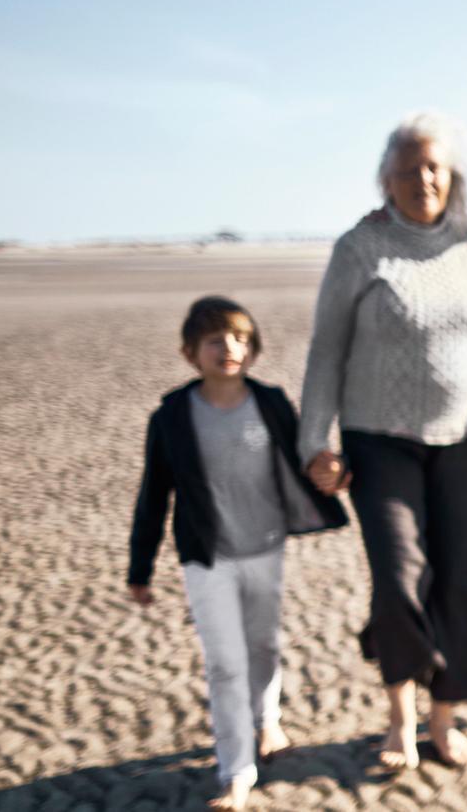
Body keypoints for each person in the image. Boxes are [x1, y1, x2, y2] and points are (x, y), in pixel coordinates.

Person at [299, 113, 467, 768]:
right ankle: (399, 717)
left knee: (460, 580)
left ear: (451, 176)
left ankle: (441, 720)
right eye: (409, 169)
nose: (423, 179)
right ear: (387, 179)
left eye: (434, 167)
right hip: (380, 440)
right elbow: (325, 353)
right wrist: (315, 442)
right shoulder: (359, 248)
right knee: (401, 578)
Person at [127, 296, 349, 810]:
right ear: (190, 353)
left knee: (263, 646)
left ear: (253, 350)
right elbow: (153, 494)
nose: (229, 348)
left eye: (241, 339)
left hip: (266, 549)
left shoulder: (269, 401)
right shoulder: (172, 415)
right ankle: (236, 772)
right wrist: (140, 568)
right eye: (215, 340)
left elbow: (304, 459)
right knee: (226, 664)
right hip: (207, 557)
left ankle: (267, 721)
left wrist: (333, 473)